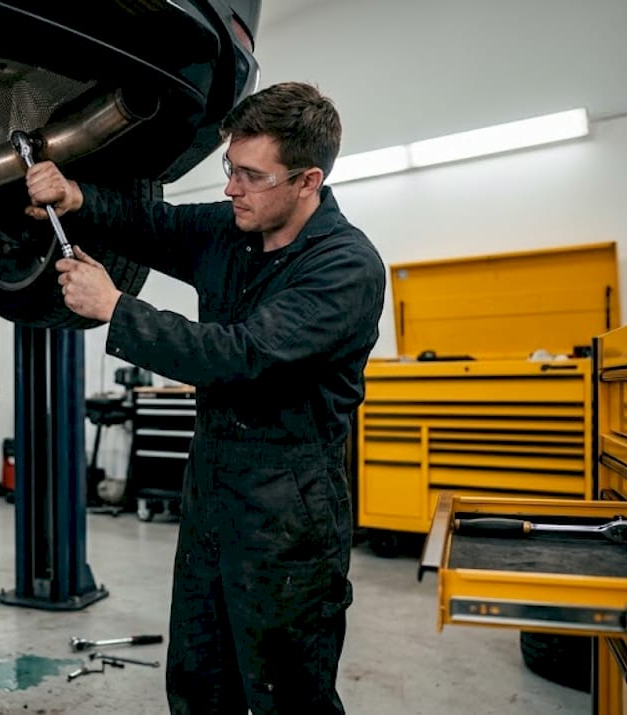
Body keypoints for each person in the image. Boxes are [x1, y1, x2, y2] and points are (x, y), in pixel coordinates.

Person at [24, 81, 386, 714]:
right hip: (211, 491)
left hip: (289, 511)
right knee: (198, 679)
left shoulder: (345, 267)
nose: (230, 189)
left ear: (307, 181)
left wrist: (116, 310)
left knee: (286, 692)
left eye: (251, 175)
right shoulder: (234, 229)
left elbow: (243, 356)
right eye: (230, 168)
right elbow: (155, 224)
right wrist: (75, 196)